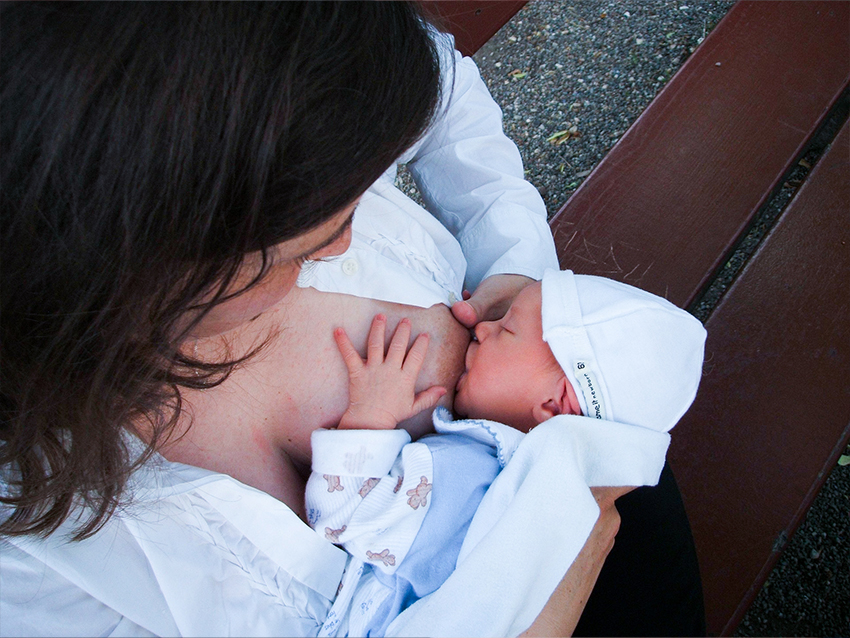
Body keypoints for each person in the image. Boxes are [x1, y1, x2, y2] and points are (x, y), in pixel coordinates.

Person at [0, 3, 629, 636]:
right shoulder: (39, 565)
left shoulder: (261, 63)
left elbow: (441, 96)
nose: (343, 245)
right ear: (148, 255)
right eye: (312, 239)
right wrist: (554, 606)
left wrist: (519, 279)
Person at [305, 269, 707, 635]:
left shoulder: (465, 474)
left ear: (554, 405)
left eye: (506, 329)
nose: (481, 326)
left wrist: (371, 416)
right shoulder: (542, 504)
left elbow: (340, 517)